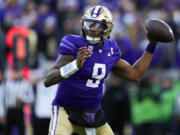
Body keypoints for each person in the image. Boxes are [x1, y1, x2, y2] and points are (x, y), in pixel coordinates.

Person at [44, 5, 158, 135]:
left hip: (92, 113)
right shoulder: (73, 43)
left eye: (97, 25)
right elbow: (48, 79)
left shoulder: (110, 49)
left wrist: (152, 46)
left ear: (107, 28)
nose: (92, 28)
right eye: (89, 24)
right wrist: (75, 65)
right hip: (65, 110)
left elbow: (135, 75)